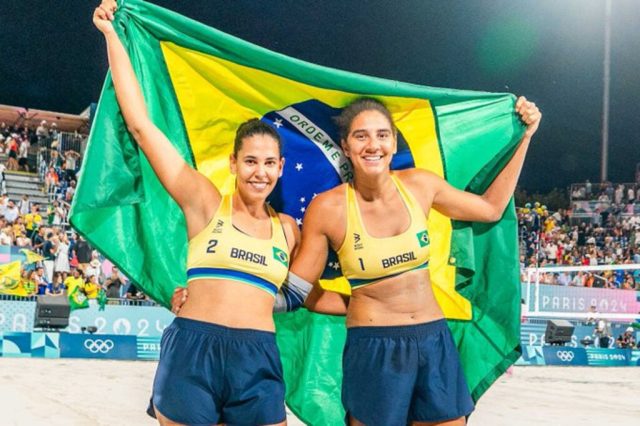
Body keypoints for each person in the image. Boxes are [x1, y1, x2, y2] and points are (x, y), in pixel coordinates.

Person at [94, 2, 300, 425]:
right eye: (250, 161)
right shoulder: (204, 202)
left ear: (280, 168)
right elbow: (141, 126)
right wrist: (113, 37)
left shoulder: (289, 230)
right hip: (193, 351)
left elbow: (290, 296)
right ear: (233, 163)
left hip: (257, 359)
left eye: (268, 163)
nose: (259, 172)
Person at [291, 97, 540, 425]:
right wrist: (359, 303)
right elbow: (300, 291)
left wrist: (525, 136)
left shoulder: (420, 185)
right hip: (373, 348)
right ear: (345, 146)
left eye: (382, 135)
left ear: (394, 142)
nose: (373, 145)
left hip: (433, 339)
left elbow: (490, 208)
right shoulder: (328, 209)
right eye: (361, 136)